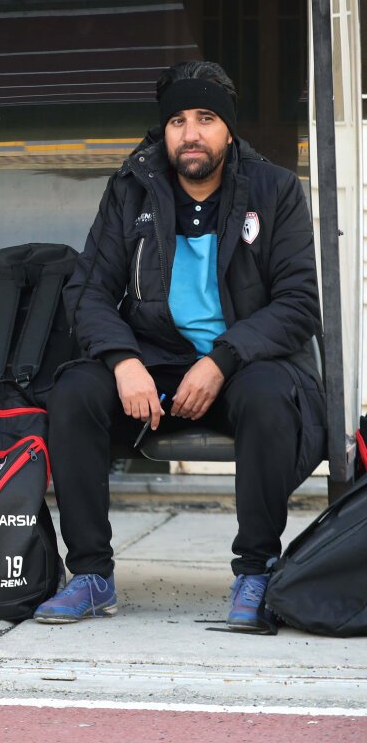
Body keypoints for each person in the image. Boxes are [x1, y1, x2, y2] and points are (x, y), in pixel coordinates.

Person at [34, 61, 325, 631]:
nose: (190, 133)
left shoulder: (274, 190)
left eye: (206, 118)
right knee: (75, 392)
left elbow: (298, 304)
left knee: (269, 398)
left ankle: (256, 571)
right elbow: (88, 292)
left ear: (229, 130)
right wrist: (123, 361)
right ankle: (90, 574)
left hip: (244, 365)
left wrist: (221, 360)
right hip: (154, 363)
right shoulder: (131, 188)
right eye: (177, 121)